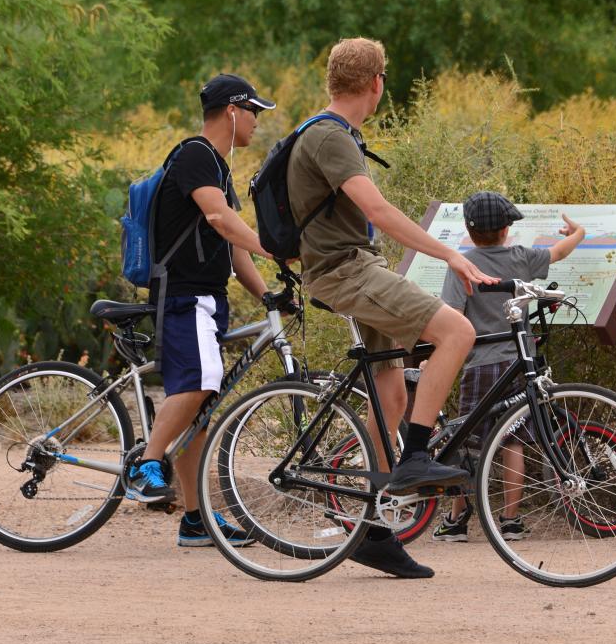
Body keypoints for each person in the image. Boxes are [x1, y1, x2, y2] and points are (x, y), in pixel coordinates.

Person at [287, 37, 499, 579]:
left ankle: (373, 533)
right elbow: (377, 210)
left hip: (356, 268)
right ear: (377, 83)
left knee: (388, 394)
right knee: (455, 333)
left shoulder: (335, 134)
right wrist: (451, 253)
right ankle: (415, 459)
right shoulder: (330, 137)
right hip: (348, 272)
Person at [125, 73, 277, 549]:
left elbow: (233, 247)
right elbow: (218, 218)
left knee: (200, 414)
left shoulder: (216, 166)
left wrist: (268, 295)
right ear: (233, 110)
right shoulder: (195, 155)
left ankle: (195, 520)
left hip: (210, 299)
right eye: (254, 111)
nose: (257, 122)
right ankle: (145, 465)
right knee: (200, 383)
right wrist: (278, 248)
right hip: (184, 296)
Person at [431, 192, 586, 542]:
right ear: (506, 229)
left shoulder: (461, 264)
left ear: (470, 233)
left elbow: (452, 316)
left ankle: (457, 521)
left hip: (479, 363)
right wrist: (579, 233)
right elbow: (559, 251)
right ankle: (511, 520)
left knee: (467, 442)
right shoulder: (522, 258)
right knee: (513, 440)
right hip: (518, 362)